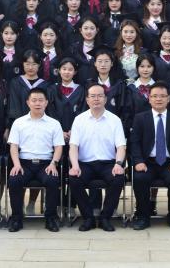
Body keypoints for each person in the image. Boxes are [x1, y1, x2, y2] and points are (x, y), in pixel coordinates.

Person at [129, 83, 170, 230]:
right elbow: (134, 143)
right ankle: (143, 216)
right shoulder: (140, 118)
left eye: (162, 96)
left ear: (168, 99)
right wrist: (138, 161)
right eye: (155, 96)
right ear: (149, 98)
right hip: (147, 162)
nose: (158, 99)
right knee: (140, 178)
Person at [67, 84, 128, 232]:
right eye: (93, 96)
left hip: (108, 164)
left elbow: (121, 146)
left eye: (100, 96)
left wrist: (118, 164)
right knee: (74, 179)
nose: (96, 99)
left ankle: (105, 218)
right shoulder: (79, 120)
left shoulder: (114, 120)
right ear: (87, 100)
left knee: (118, 178)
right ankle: (88, 217)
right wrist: (75, 165)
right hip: (85, 164)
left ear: (105, 99)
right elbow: (73, 146)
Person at [7, 88, 65, 232]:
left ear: (46, 102)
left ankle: (51, 218)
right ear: (28, 102)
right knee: (14, 180)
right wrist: (16, 164)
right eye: (34, 100)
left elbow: (59, 147)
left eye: (40, 100)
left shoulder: (54, 123)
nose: (37, 103)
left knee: (52, 180)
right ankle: (16, 218)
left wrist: (54, 163)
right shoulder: (19, 122)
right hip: (24, 163)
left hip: (46, 163)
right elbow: (14, 146)